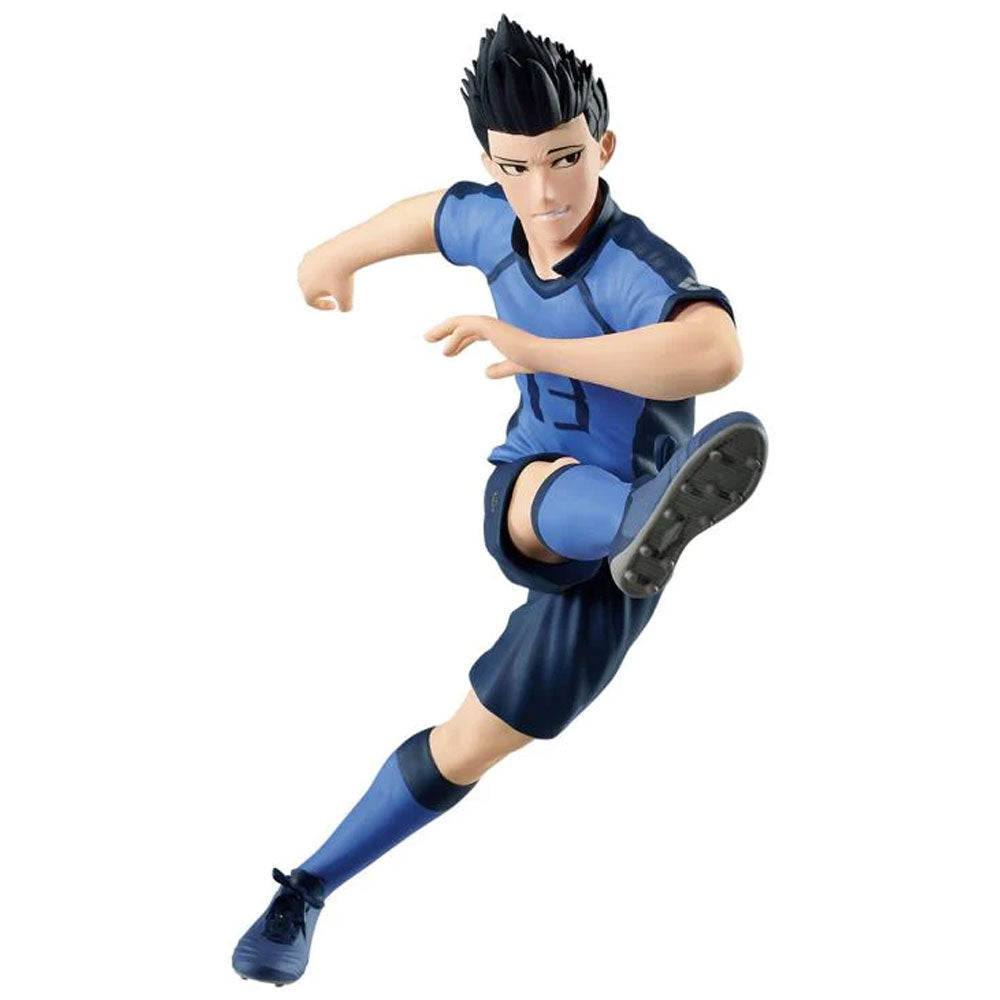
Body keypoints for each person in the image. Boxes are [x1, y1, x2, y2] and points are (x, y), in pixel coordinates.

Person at [233, 15, 767, 986]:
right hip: (544, 491)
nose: (545, 192)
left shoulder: (626, 263)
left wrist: (535, 348)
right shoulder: (498, 224)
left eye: (565, 160)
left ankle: (311, 885)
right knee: (532, 493)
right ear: (492, 163)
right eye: (516, 168)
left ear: (604, 148)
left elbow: (715, 351)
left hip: (621, 550)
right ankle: (302, 889)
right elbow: (429, 216)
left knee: (465, 745)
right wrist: (333, 256)